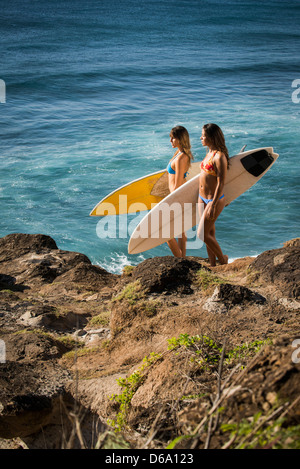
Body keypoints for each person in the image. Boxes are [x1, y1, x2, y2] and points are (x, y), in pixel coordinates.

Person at [197, 123, 229, 266]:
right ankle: (212, 264)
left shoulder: (219, 156)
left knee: (201, 234)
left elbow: (221, 183)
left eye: (203, 136)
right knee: (209, 234)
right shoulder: (209, 152)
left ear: (211, 137)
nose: (201, 138)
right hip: (201, 198)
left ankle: (223, 260)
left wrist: (213, 205)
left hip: (212, 200)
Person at [167, 125, 193, 257]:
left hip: (177, 197)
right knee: (181, 231)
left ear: (180, 139)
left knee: (165, 233)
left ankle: (179, 259)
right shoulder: (179, 153)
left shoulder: (182, 157)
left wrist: (171, 201)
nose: (170, 141)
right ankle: (182, 259)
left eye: (173, 138)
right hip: (178, 196)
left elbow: (177, 184)